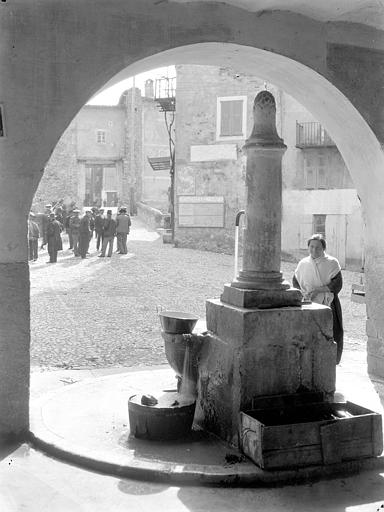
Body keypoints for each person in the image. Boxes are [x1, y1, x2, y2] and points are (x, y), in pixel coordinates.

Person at [293, 233, 344, 364]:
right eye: (311, 247)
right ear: (308, 247)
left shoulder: (332, 263)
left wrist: (318, 290)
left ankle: (331, 359)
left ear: (323, 248)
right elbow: (296, 281)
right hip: (307, 301)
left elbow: (337, 284)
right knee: (309, 332)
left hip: (328, 302)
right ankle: (309, 359)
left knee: (330, 330)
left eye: (318, 247)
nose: (314, 250)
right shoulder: (303, 263)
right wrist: (303, 293)